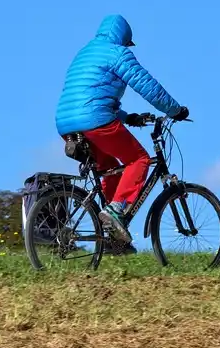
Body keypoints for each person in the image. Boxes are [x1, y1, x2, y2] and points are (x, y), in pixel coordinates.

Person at [55, 15, 189, 252]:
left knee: (110, 171)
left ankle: (112, 238)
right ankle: (114, 212)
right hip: (95, 121)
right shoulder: (118, 53)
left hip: (66, 124)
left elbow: (91, 95)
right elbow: (148, 86)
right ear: (124, 39)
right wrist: (175, 110)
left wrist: (128, 118)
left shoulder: (85, 53)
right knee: (139, 160)